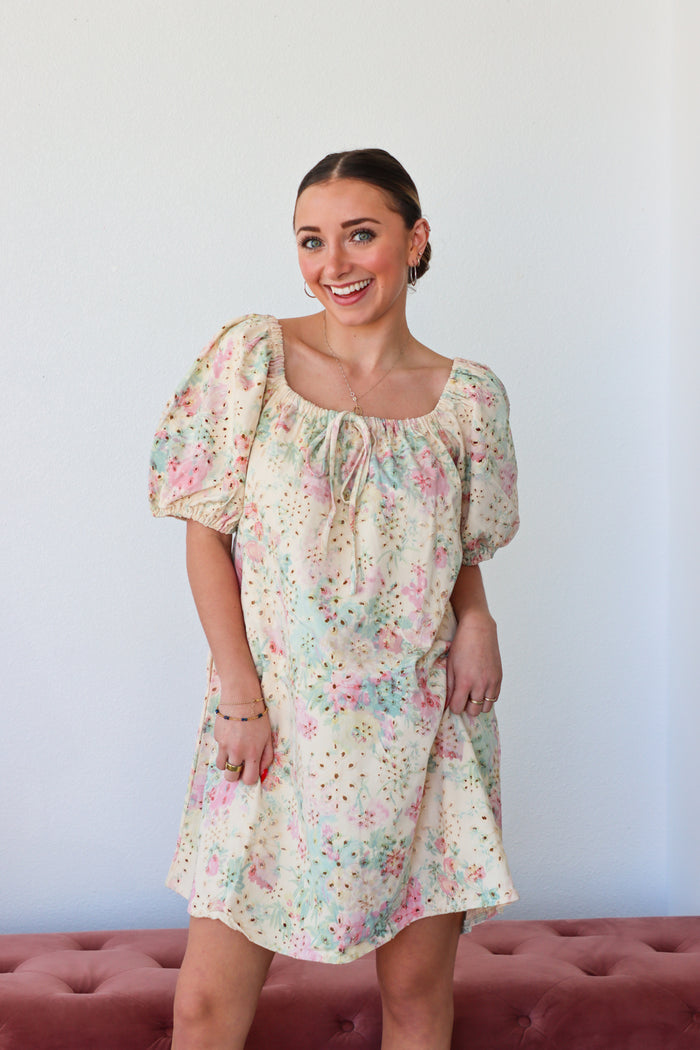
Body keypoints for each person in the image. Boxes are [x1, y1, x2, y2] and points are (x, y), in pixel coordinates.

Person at [149, 148, 519, 1050]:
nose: (334, 264)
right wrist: (239, 696)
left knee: (418, 1003)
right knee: (204, 1005)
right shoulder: (252, 359)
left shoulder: (469, 398)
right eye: (312, 241)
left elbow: (460, 547)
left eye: (362, 234)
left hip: (420, 725)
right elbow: (206, 528)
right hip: (271, 721)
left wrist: (478, 617)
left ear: (415, 239)